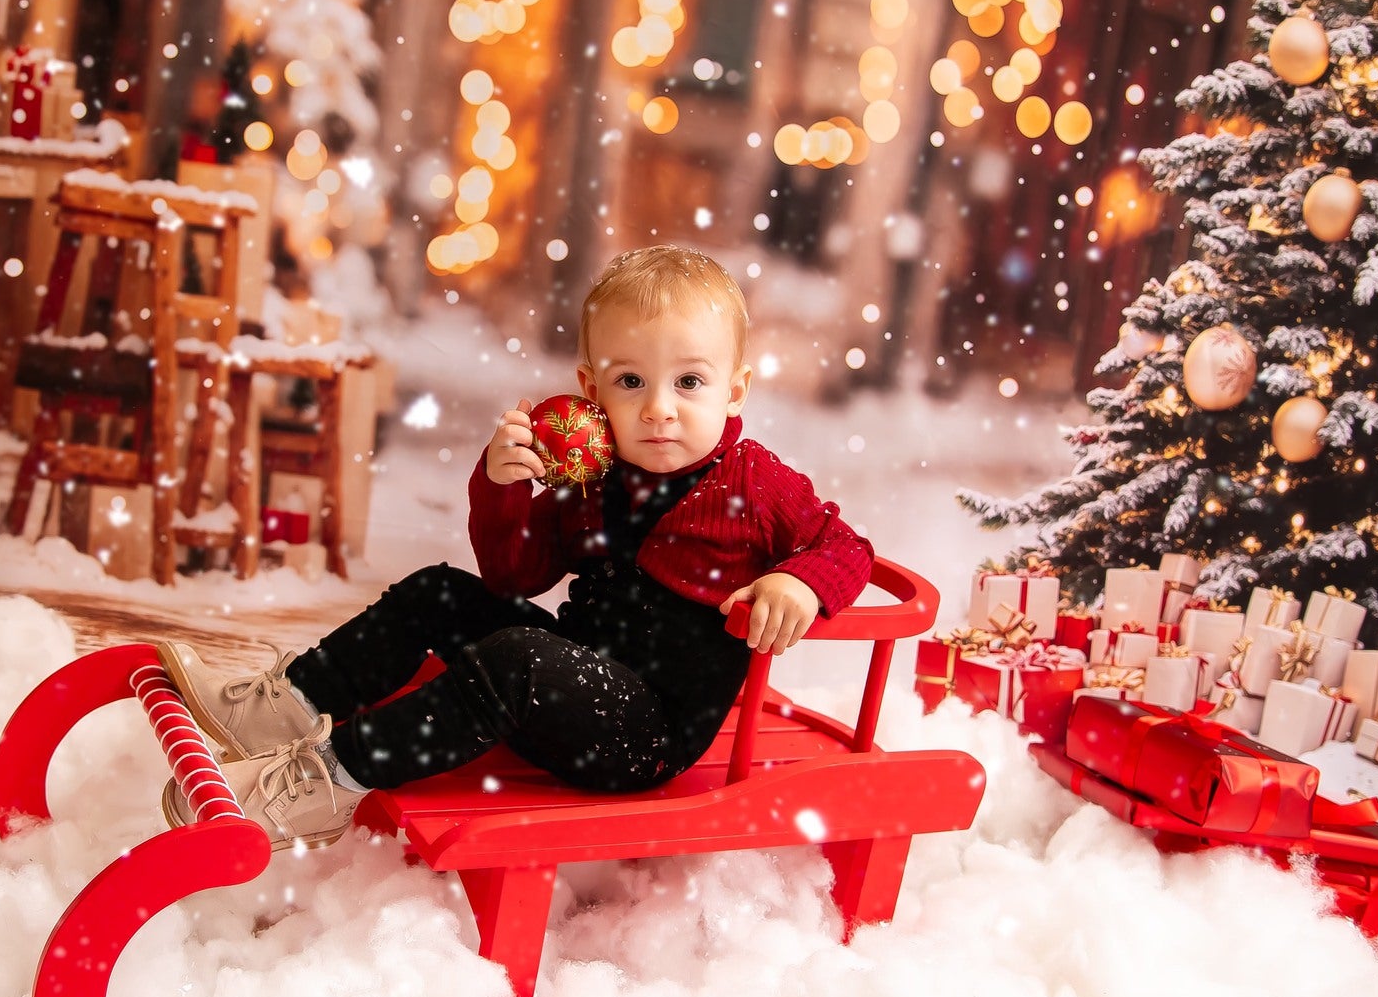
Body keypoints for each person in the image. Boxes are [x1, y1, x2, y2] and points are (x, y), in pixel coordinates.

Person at [161, 245, 875, 847]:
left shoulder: (757, 482)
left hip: (642, 734)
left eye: (690, 381)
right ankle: (285, 703)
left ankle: (330, 780)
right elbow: (512, 577)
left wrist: (801, 583)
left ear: (735, 389)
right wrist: (506, 488)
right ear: (591, 389)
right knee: (441, 589)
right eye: (632, 381)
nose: (659, 407)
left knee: (518, 661)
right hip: (570, 682)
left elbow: (844, 545)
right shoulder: (592, 470)